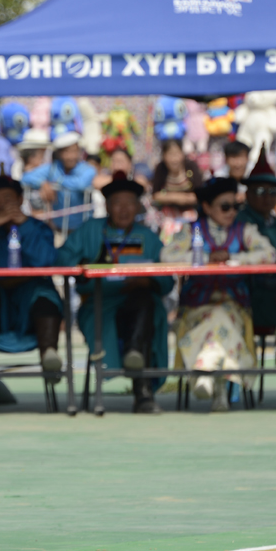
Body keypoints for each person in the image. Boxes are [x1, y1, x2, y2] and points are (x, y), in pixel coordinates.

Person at [57, 172, 171, 413]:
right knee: (119, 315)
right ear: (107, 206)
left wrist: (148, 282)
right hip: (100, 302)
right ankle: (138, 376)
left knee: (146, 304)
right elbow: (63, 259)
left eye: (129, 203)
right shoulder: (90, 229)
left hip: (139, 302)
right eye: (117, 203)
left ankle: (142, 388)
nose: (123, 209)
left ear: (138, 207)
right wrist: (86, 267)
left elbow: (166, 277)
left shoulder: (149, 237)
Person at [161, 177, 276, 411]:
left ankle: (206, 371)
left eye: (236, 206)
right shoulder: (190, 231)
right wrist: (204, 261)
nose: (232, 212)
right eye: (225, 206)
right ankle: (219, 389)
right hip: (197, 307)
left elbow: (269, 254)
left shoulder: (244, 230)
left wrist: (233, 260)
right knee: (217, 318)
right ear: (206, 207)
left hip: (234, 305)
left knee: (221, 316)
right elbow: (167, 256)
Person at [0, 174, 64, 380]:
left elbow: (47, 259)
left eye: (7, 199)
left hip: (31, 290)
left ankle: (49, 356)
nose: (1, 205)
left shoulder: (38, 227)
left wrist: (24, 226)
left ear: (20, 199)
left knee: (47, 300)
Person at [238, 146, 276, 331]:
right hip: (248, 293)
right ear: (247, 194)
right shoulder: (239, 223)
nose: (267, 197)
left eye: (272, 192)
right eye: (260, 191)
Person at [21, 131, 96, 234]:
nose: (71, 156)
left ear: (79, 152)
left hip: (83, 230)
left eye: (74, 151)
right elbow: (26, 177)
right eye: (66, 152)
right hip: (59, 229)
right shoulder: (53, 168)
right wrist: (42, 183)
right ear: (60, 153)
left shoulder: (88, 170)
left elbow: (81, 184)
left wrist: (57, 181)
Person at [150, 138, 202, 218]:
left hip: (192, 212)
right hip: (167, 215)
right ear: (164, 156)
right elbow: (155, 195)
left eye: (177, 154)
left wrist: (166, 197)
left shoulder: (191, 166)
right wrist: (179, 198)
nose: (174, 159)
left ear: (182, 154)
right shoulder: (160, 168)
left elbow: (200, 194)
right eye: (170, 154)